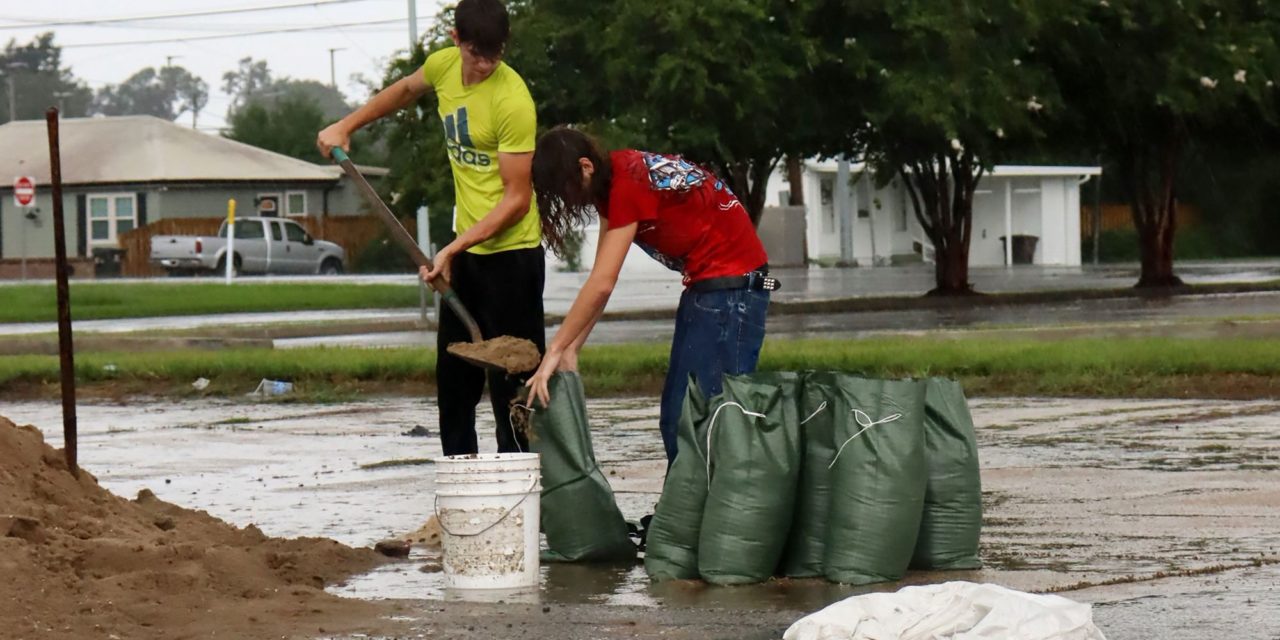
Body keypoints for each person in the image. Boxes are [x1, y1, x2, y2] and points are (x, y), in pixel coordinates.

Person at [317, 0, 542, 456]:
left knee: (512, 392)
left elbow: (517, 200)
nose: (487, 63)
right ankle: (463, 495)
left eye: (496, 53)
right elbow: (403, 91)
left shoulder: (512, 100)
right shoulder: (442, 67)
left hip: (512, 258)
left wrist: (453, 247)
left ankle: (521, 499)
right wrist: (346, 125)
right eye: (478, 53)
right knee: (455, 385)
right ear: (457, 41)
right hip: (466, 254)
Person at [524, 127, 776, 463]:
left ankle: (715, 512)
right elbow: (600, 276)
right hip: (707, 287)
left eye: (566, 189)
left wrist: (554, 350)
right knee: (676, 418)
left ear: (585, 166)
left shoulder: (629, 185)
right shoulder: (611, 184)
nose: (568, 201)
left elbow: (603, 283)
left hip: (732, 292)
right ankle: (682, 513)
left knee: (709, 420)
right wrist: (572, 348)